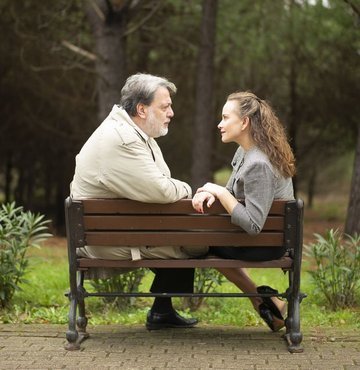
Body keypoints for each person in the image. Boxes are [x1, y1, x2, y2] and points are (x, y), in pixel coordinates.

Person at [70, 73, 208, 330]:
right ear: (142, 109)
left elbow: (159, 186)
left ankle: (162, 311)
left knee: (186, 234)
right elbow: (162, 190)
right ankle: (161, 310)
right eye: (165, 106)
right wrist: (189, 189)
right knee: (196, 244)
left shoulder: (132, 133)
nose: (171, 113)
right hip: (107, 243)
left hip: (116, 233)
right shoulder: (123, 140)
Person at [192, 91, 296, 332]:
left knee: (198, 242)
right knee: (203, 240)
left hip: (265, 243)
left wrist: (220, 192)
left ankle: (263, 301)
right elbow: (231, 190)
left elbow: (253, 224)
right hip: (265, 238)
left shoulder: (258, 163)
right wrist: (214, 193)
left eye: (225, 117)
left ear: (245, 122)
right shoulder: (247, 152)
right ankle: (267, 302)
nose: (220, 124)